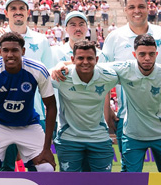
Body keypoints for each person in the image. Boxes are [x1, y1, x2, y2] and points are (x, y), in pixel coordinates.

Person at [101, 0, 161, 154]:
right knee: (130, 174)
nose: (137, 11)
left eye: (141, 6)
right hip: (127, 119)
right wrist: (108, 110)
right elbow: (103, 76)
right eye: (132, 7)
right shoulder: (114, 38)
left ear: (149, 8)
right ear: (125, 10)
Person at [97, 33, 161, 173]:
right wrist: (62, 65)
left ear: (156, 54)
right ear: (134, 54)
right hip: (133, 135)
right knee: (130, 184)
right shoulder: (124, 69)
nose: (147, 58)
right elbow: (93, 68)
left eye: (151, 54)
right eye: (142, 54)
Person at [0, 32, 57, 172]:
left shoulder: (38, 69)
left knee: (46, 168)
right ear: (0, 51)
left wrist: (47, 147)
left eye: (14, 50)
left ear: (23, 51)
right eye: (5, 50)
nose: (10, 54)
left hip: (28, 125)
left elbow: (51, 105)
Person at [48, 40, 118, 172]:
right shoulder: (59, 76)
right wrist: (61, 64)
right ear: (73, 59)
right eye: (80, 58)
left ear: (96, 59)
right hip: (69, 139)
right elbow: (37, 75)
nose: (85, 62)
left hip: (99, 138)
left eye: (90, 58)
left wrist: (63, 63)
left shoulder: (109, 76)